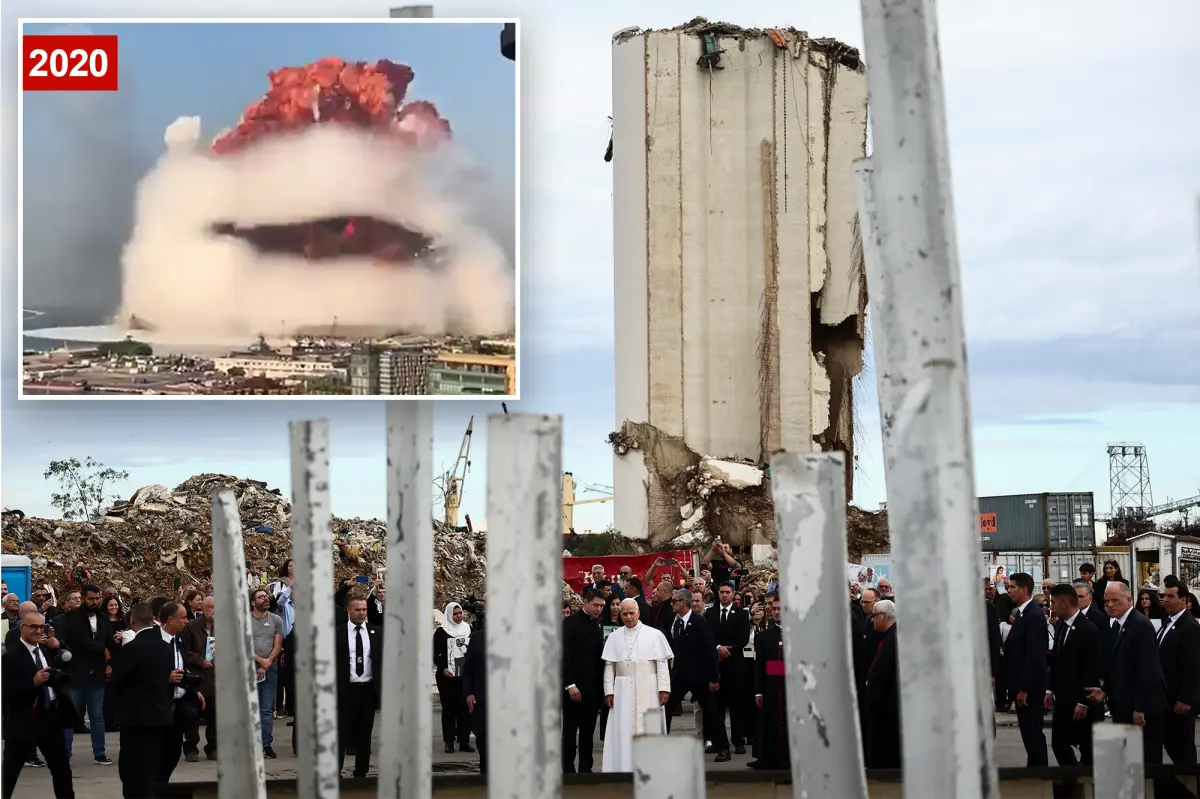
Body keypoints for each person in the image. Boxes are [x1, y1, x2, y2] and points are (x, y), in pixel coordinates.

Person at [1089, 582, 1167, 773]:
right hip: (1122, 704)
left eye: (1115, 600)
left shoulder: (1139, 625)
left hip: (1140, 707)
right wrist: (1105, 690)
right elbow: (1118, 666)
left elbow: (1147, 670)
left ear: (1129, 600)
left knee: (1146, 761)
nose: (1109, 605)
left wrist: (1140, 708)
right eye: (1106, 601)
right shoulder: (1118, 625)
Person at [110, 602, 182, 799]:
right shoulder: (165, 648)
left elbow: (118, 681)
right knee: (153, 765)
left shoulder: (132, 648)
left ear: (132, 620)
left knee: (132, 770)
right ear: (153, 620)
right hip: (159, 716)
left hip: (135, 718)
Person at [1, 611, 76, 799]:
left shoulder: (45, 650)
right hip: (23, 721)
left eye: (42, 627)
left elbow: (66, 663)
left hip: (49, 718)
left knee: (61, 769)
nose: (38, 631)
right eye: (33, 627)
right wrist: (32, 683)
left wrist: (58, 648)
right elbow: (6, 691)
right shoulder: (11, 657)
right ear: (22, 628)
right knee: (10, 771)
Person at [600, 598, 673, 772]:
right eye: (624, 614)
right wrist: (609, 692)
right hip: (622, 690)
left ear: (638, 613)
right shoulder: (614, 637)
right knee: (623, 728)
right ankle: (623, 768)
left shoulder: (654, 635)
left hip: (649, 687)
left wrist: (664, 688)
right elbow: (609, 666)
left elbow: (662, 663)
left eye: (631, 613)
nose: (628, 617)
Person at [1043, 583, 1103, 773]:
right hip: (1063, 699)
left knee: (1087, 750)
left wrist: (1083, 702)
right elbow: (1056, 660)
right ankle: (1073, 777)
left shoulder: (1088, 630)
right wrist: (1049, 690)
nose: (1051, 607)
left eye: (1053, 603)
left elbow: (1092, 669)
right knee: (1059, 744)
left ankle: (1083, 780)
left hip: (1081, 701)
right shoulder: (1061, 625)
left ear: (1065, 603)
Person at [664, 588, 729, 760]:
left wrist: (713, 678)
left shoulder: (699, 622)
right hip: (681, 675)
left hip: (700, 676)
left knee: (711, 711)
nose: (672, 604)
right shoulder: (677, 622)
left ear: (683, 602)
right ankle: (661, 744)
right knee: (667, 706)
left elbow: (709, 651)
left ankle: (723, 747)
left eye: (674, 601)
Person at [56, 584, 114, 765]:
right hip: (75, 673)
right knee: (70, 713)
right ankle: (64, 753)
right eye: (91, 599)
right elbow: (79, 640)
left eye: (97, 598)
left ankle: (100, 753)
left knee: (97, 715)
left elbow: (109, 642)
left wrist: (109, 662)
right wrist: (101, 649)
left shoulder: (104, 618)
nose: (95, 602)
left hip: (96, 674)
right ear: (82, 599)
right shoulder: (71, 617)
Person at [1156, 576, 1199, 787]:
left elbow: (1193, 667)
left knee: (1183, 750)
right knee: (1172, 746)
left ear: (1184, 599)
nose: (1166, 600)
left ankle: (1193, 787)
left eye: (1171, 596)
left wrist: (1186, 699)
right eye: (1164, 596)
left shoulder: (1189, 626)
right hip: (1165, 699)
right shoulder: (1168, 622)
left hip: (1179, 702)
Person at [1003, 572, 1048, 766]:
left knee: (1033, 734)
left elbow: (1034, 656)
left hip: (1028, 689)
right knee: (1028, 735)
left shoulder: (1034, 616)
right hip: (1019, 684)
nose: (1009, 590)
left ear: (1024, 589)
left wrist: (1025, 689)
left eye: (1013, 587)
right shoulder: (1022, 614)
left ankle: (1040, 773)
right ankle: (1035, 770)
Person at [704, 581, 750, 755]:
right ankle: (718, 742)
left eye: (727, 592)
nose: (724, 595)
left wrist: (728, 650)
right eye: (721, 592)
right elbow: (707, 636)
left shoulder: (741, 614)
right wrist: (718, 648)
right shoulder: (710, 613)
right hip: (716, 667)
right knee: (717, 707)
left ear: (733, 594)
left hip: (735, 666)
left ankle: (738, 741)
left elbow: (743, 638)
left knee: (737, 706)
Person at [338, 596, 382, 777]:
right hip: (345, 690)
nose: (362, 613)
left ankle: (361, 771)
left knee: (365, 733)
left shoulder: (376, 632)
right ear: (348, 610)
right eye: (358, 610)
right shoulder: (337, 633)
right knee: (341, 733)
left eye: (364, 609)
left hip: (367, 690)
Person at [562, 588, 605, 773]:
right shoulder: (569, 623)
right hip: (573, 689)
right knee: (570, 732)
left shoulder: (597, 624)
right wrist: (570, 684)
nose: (599, 609)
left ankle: (586, 771)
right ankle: (568, 771)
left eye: (602, 606)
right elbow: (563, 657)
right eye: (596, 605)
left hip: (592, 690)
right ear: (585, 602)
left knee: (588, 732)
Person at [748, 593, 788, 770]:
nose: (777, 612)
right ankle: (766, 758)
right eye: (775, 609)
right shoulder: (765, 636)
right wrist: (758, 691)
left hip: (790, 688)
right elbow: (759, 665)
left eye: (781, 609)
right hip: (770, 687)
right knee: (768, 724)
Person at [433, 602, 474, 754]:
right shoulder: (442, 631)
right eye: (455, 614)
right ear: (449, 615)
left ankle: (464, 741)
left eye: (460, 613)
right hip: (447, 678)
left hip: (464, 676)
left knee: (465, 708)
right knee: (449, 709)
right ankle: (449, 741)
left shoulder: (467, 629)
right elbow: (434, 653)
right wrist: (443, 667)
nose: (458, 616)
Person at [864, 599, 901, 769]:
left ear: (884, 616)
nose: (872, 620)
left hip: (888, 711)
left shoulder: (895, 639)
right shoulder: (888, 637)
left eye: (875, 616)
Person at [248, 587, 284, 758]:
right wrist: (259, 661)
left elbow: (278, 645)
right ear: (253, 603)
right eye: (261, 597)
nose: (265, 598)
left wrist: (266, 663)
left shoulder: (276, 620)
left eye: (266, 596)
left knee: (266, 709)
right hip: (249, 669)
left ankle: (266, 744)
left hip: (269, 670)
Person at [183, 596, 217, 762]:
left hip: (216, 679)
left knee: (215, 716)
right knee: (192, 716)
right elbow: (184, 651)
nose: (214, 610)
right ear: (203, 609)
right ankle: (191, 747)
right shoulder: (191, 626)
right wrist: (199, 660)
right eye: (211, 607)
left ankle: (213, 747)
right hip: (197, 678)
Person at [462, 597, 489, 774]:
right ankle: (485, 770)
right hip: (482, 697)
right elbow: (468, 669)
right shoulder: (477, 639)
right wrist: (468, 693)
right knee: (483, 736)